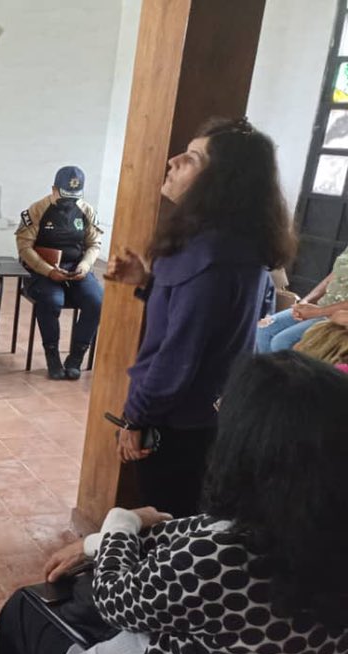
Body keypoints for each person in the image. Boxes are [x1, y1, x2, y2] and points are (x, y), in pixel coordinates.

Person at [0, 352, 348, 654]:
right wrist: (103, 539)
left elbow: (115, 600)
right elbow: (193, 530)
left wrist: (121, 519)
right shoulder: (310, 524)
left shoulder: (222, 558)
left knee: (24, 610)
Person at [105, 117, 295, 519]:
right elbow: (199, 319)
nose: (173, 161)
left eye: (191, 158)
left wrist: (136, 417)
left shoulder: (210, 258)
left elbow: (178, 358)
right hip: (206, 414)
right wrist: (149, 282)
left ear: (222, 181)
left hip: (180, 426)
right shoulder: (229, 245)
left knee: (167, 517)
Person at [15, 166, 104, 379]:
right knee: (52, 300)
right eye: (64, 197)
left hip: (76, 268)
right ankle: (52, 355)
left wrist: (84, 266)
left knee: (96, 301)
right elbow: (24, 247)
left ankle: (76, 358)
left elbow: (94, 244)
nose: (69, 203)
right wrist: (47, 270)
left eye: (74, 198)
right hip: (43, 270)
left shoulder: (86, 211)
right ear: (54, 189)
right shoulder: (36, 210)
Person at [256, 247, 348, 352]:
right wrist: (305, 301)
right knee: (263, 331)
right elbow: (332, 278)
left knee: (282, 342)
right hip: (321, 306)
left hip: (339, 316)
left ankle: (285, 368)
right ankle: (269, 367)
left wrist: (317, 312)